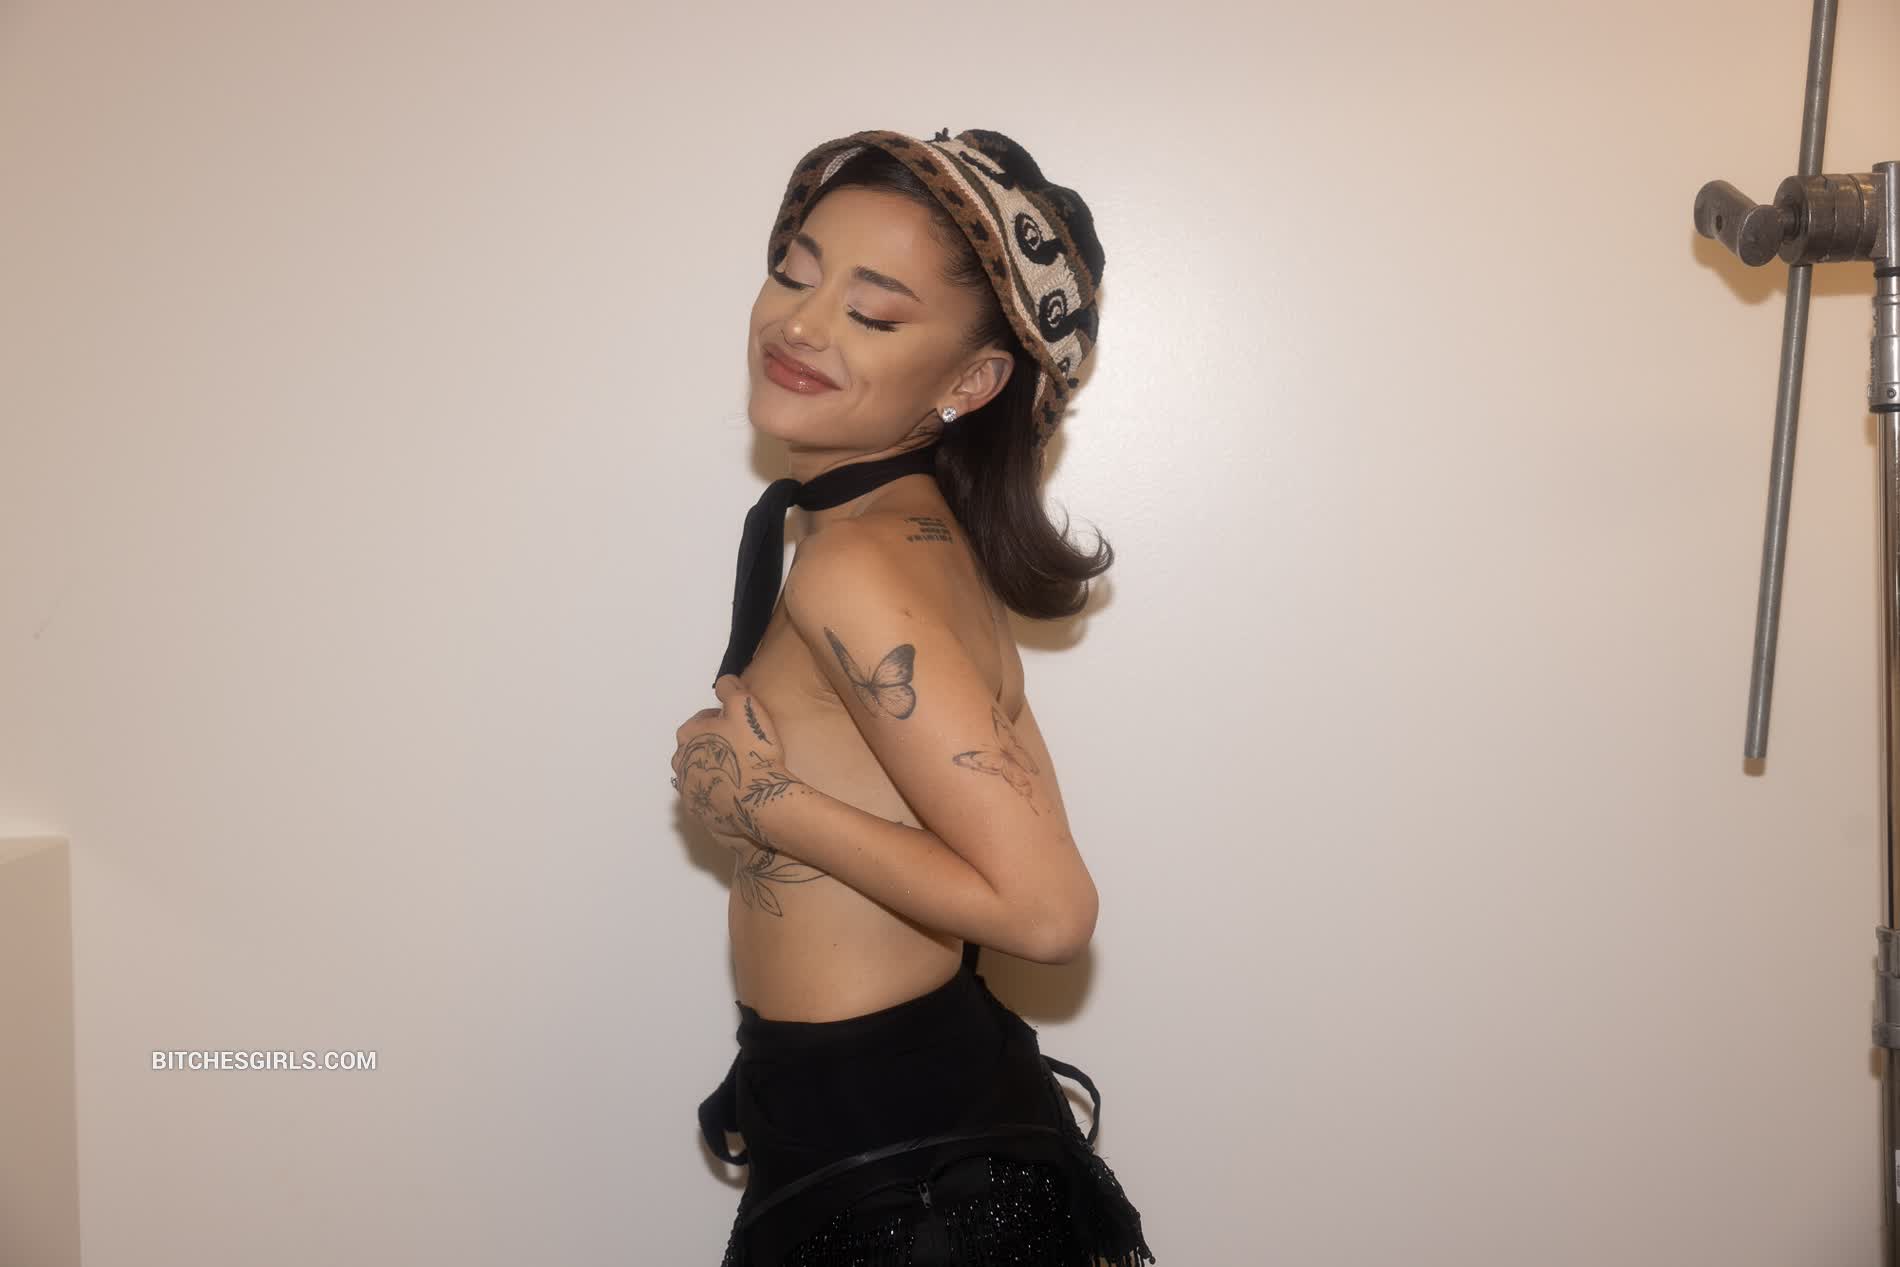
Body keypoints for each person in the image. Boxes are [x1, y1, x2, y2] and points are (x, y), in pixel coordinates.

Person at [671, 127, 1154, 1267]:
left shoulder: (856, 560)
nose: (801, 324)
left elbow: (1047, 913)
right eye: (794, 272)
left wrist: (763, 802)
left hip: (907, 1191)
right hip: (902, 1146)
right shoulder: (899, 534)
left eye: (872, 313)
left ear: (972, 381)